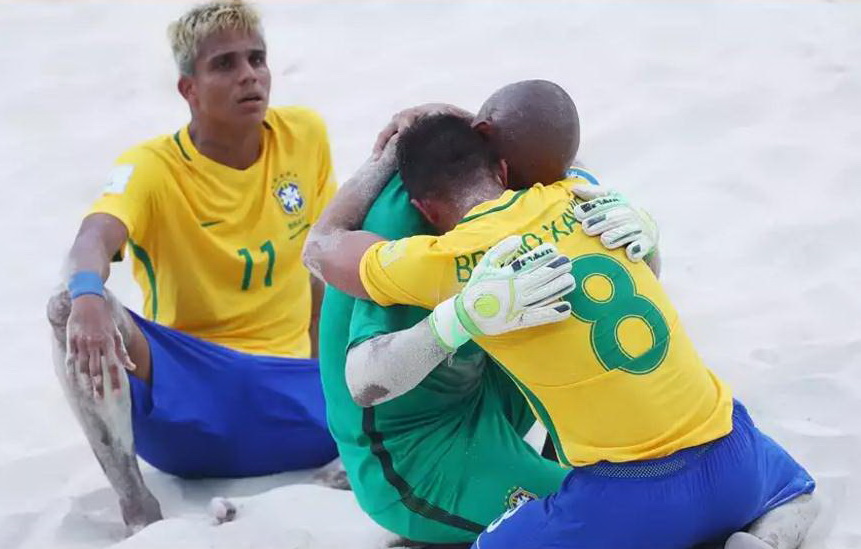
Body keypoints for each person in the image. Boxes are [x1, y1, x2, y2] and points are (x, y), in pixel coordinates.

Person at [304, 106, 819, 546]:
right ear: (503, 168)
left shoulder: (444, 258)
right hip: (732, 447)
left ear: (426, 210)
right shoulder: (582, 194)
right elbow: (552, 132)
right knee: (797, 495)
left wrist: (457, 316)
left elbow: (320, 251)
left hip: (630, 491)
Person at [317, 83, 660, 547]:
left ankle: (561, 464)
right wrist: (457, 318)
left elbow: (633, 270)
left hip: (482, 388)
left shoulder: (529, 176)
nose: (531, 203)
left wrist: (638, 227)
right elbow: (361, 370)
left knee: (580, 296)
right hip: (413, 450)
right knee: (615, 519)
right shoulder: (401, 230)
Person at [45, 0, 338, 532]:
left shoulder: (305, 135)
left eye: (257, 58)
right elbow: (93, 236)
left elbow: (324, 270)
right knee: (67, 305)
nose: (249, 75)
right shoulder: (151, 168)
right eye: (225, 64)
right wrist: (87, 293)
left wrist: (324, 375)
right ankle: (136, 504)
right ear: (189, 89)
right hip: (194, 406)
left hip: (298, 402)